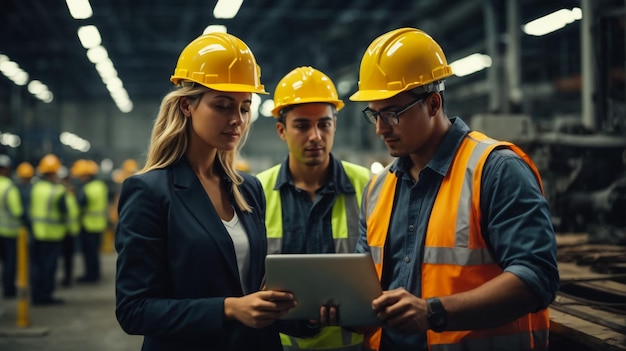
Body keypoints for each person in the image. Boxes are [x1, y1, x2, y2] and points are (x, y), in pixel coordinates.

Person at [348, 28, 559, 351]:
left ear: (433, 104)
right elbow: (370, 290)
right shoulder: (378, 189)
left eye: (392, 113)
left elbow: (536, 278)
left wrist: (433, 312)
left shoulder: (496, 170)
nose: (380, 128)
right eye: (374, 114)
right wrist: (345, 308)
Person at [114, 32, 297, 351]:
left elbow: (250, 288)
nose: (237, 120)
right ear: (187, 105)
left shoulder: (248, 189)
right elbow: (135, 310)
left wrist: (300, 311)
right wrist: (228, 309)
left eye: (244, 108)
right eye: (223, 106)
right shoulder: (149, 192)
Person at [257, 66, 370, 351]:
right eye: (302, 125)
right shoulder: (256, 192)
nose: (316, 136)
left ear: (334, 124)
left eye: (324, 124)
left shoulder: (369, 186)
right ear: (281, 130)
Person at [29, 153, 72, 305]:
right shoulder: (59, 191)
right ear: (55, 173)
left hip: (36, 233)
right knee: (49, 268)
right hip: (53, 235)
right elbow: (64, 212)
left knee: (36, 267)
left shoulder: (35, 188)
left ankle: (36, 296)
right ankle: (46, 296)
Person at [72, 159, 108, 283]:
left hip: (88, 225)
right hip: (99, 224)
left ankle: (90, 276)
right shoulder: (100, 186)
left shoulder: (87, 189)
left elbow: (81, 204)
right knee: (94, 253)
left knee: (89, 253)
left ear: (87, 175)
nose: (80, 178)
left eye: (82, 176)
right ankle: (94, 274)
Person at [0, 154, 24, 298]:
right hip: (8, 232)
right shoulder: (9, 187)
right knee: (9, 263)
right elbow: (17, 211)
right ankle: (8, 289)